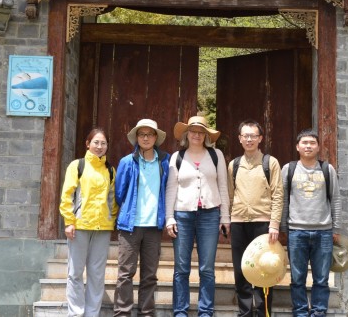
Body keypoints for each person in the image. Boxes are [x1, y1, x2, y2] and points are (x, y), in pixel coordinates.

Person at [165, 115, 231, 317]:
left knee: (207, 268)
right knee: (181, 268)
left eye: (201, 131)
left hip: (210, 215)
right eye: (193, 131)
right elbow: (171, 189)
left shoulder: (216, 155)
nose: (196, 134)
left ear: (206, 135)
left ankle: (205, 311)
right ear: (187, 134)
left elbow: (223, 186)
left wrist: (225, 217)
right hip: (183, 215)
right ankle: (180, 311)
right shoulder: (177, 156)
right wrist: (169, 217)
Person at [281, 129, 341, 317]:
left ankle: (318, 312)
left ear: (318, 147)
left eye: (312, 143)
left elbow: (336, 199)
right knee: (297, 278)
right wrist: (283, 228)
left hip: (323, 231)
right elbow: (282, 200)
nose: (308, 146)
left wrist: (336, 228)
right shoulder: (288, 169)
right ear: (297, 147)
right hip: (296, 231)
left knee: (321, 278)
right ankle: (299, 312)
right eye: (304, 142)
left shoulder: (327, 169)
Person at [113, 119, 170, 317]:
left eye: (149, 134)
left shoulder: (165, 161)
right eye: (142, 134)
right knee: (125, 274)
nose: (145, 138)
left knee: (149, 276)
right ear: (137, 138)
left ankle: (146, 313)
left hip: (154, 226)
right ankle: (122, 313)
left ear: (156, 138)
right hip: (130, 226)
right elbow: (119, 193)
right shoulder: (127, 162)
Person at [59, 127, 118, 317]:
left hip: (102, 229)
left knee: (97, 275)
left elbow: (113, 199)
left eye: (103, 143)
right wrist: (69, 221)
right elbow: (67, 195)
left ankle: (92, 313)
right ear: (88, 144)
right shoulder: (77, 166)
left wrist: (111, 219)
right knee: (75, 273)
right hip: (80, 227)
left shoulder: (110, 170)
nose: (100, 147)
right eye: (96, 142)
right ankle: (76, 313)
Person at [228, 119, 283, 316]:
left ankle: (263, 312)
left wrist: (274, 224)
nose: (249, 139)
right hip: (239, 223)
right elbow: (230, 195)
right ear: (240, 139)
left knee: (264, 268)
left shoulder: (270, 162)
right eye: (245, 136)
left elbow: (278, 194)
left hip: (263, 224)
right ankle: (244, 312)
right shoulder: (233, 165)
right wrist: (228, 219)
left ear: (260, 138)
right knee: (240, 271)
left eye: (253, 135)